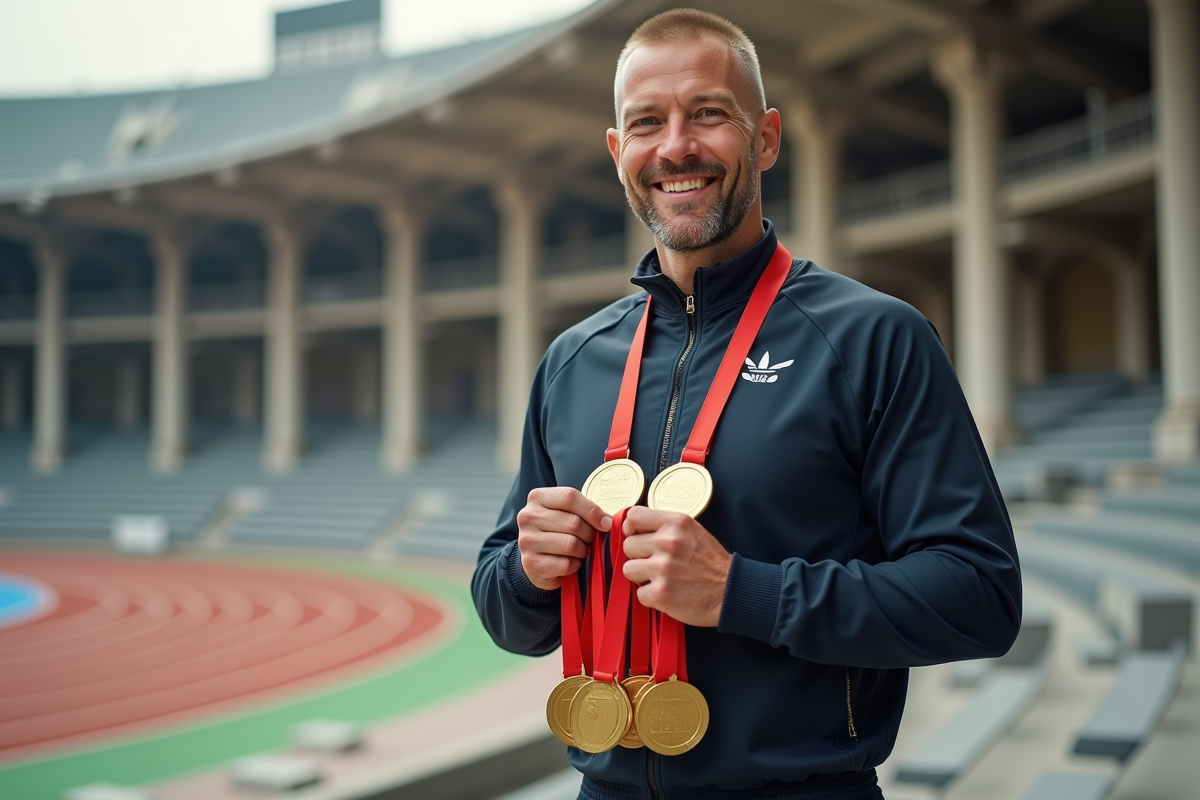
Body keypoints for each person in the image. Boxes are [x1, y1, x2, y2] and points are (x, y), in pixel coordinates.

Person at [472, 8, 1022, 800]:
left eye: (708, 114)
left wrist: (744, 592)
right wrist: (526, 573)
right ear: (616, 151)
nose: (675, 147)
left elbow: (979, 595)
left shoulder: (873, 337)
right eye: (646, 123)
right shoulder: (573, 360)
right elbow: (506, 613)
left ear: (764, 138)